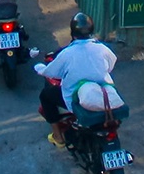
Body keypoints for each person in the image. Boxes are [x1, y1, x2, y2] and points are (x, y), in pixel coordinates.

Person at [34, 12, 124, 147]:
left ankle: (58, 137)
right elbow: (111, 64)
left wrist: (40, 68)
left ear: (73, 32)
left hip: (76, 99)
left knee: (46, 96)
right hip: (104, 94)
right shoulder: (102, 49)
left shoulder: (67, 53)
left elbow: (52, 72)